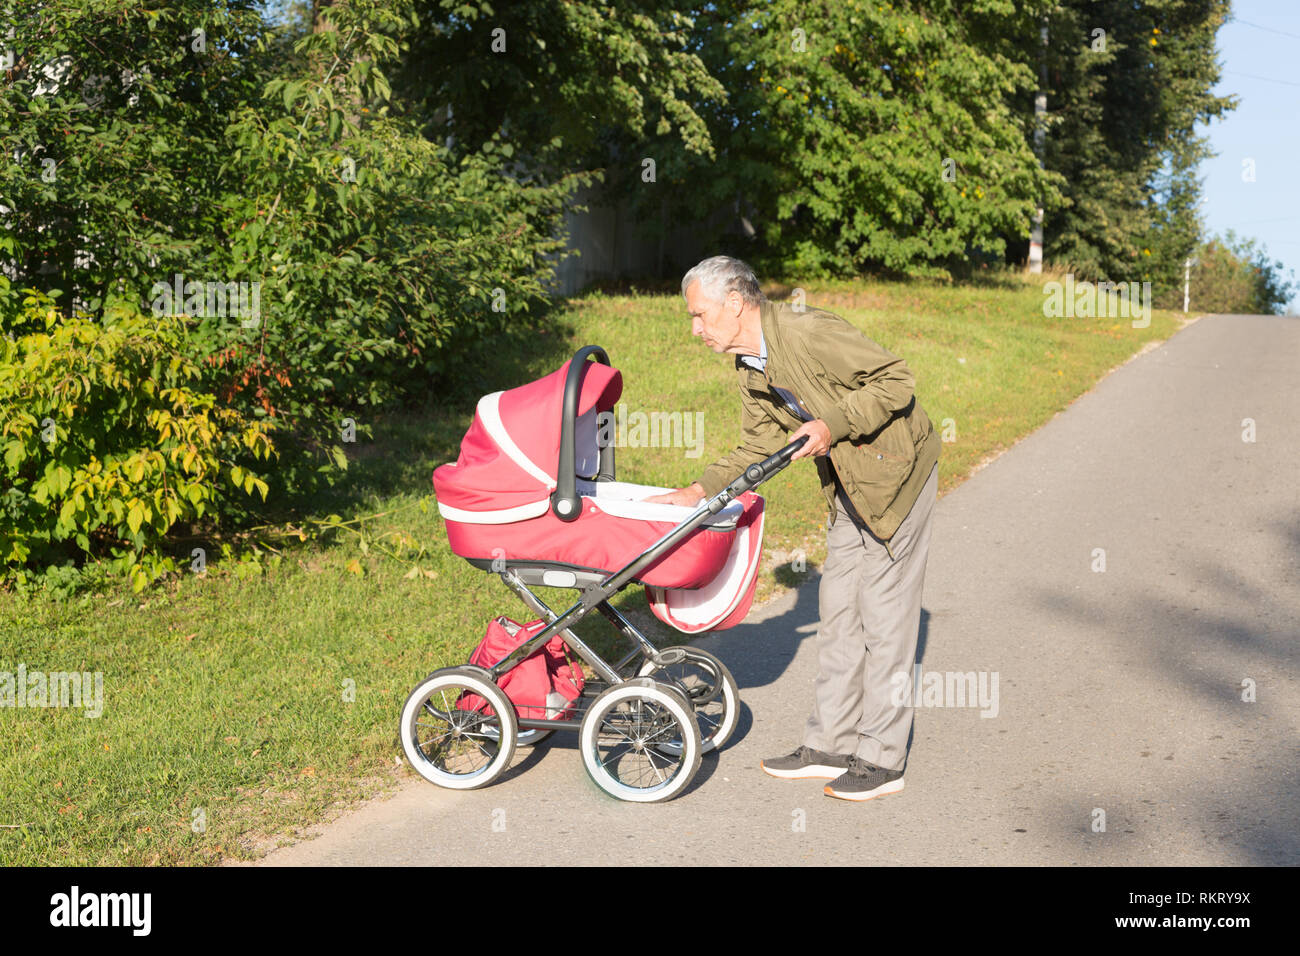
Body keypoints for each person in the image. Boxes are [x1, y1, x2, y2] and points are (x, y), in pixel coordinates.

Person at [644, 255, 940, 801]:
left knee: (885, 615)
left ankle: (882, 760)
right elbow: (758, 445)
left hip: (897, 473)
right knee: (839, 609)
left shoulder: (807, 332)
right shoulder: (751, 365)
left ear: (734, 304)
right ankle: (829, 744)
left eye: (699, 315)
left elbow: (897, 380)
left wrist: (833, 424)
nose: (695, 328)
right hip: (849, 481)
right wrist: (697, 491)